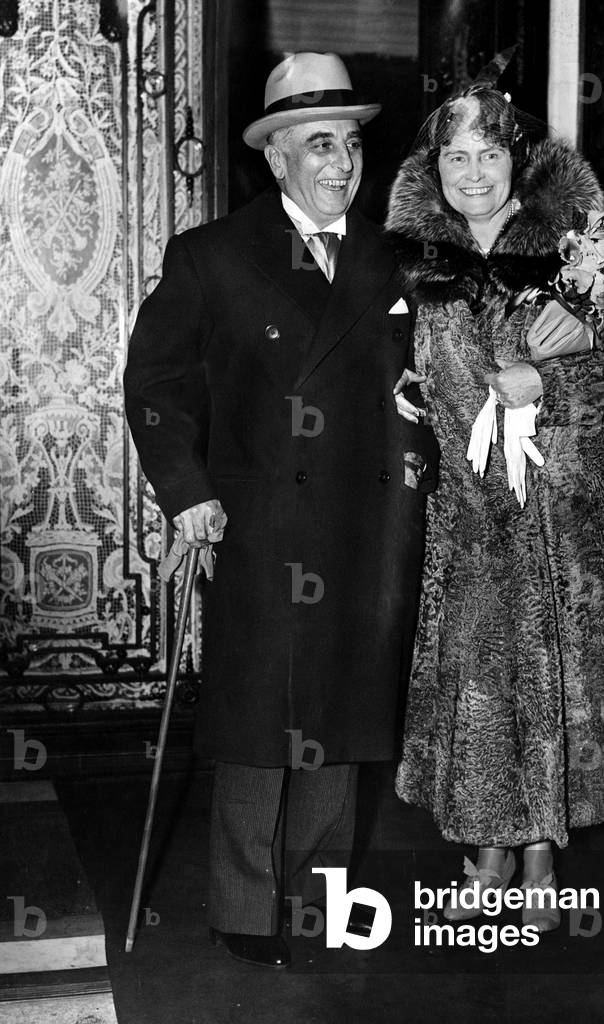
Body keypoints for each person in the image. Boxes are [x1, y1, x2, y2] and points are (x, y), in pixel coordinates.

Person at [124, 52, 437, 967]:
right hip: (256, 524)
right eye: (317, 144)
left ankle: (318, 900)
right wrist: (188, 495)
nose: (340, 161)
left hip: (368, 527)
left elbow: (439, 380)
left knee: (341, 717)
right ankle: (245, 908)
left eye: (348, 143)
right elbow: (157, 384)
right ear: (275, 157)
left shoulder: (398, 260)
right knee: (260, 722)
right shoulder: (212, 256)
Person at [386, 70, 604, 931]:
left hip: (559, 513)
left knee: (548, 671)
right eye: (457, 156)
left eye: (491, 153)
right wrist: (402, 383)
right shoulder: (411, 261)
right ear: (435, 168)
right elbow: (391, 362)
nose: (475, 173)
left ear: (521, 159)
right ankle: (486, 843)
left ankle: (540, 844)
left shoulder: (581, 252)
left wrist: (551, 371)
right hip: (466, 519)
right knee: (478, 683)